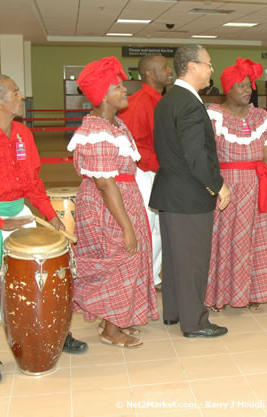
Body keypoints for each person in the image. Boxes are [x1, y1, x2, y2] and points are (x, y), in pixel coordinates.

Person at [0, 74, 87, 385]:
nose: (22, 96)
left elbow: (34, 183)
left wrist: (50, 216)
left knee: (44, 278)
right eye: (15, 92)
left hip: (21, 215)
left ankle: (54, 333)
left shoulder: (23, 134)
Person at [68, 57, 159, 348]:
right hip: (109, 207)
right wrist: (127, 226)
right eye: (117, 86)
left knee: (124, 262)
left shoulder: (115, 124)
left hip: (124, 199)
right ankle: (110, 329)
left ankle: (113, 320)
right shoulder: (97, 131)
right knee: (117, 259)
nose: (124, 90)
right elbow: (105, 183)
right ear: (102, 94)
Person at [150, 44, 230, 338]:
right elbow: (196, 156)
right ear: (193, 66)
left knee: (174, 259)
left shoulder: (169, 100)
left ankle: (173, 311)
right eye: (208, 64)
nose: (212, 70)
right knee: (193, 261)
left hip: (171, 192)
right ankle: (195, 321)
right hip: (189, 196)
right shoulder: (189, 104)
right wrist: (219, 186)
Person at [205, 58, 267, 312]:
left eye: (250, 85)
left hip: (256, 188)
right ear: (227, 88)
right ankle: (220, 295)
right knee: (224, 242)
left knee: (254, 241)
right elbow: (205, 156)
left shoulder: (261, 116)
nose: (248, 90)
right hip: (225, 190)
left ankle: (251, 293)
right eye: (241, 86)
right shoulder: (214, 115)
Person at [118, 54, 173, 290]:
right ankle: (138, 280)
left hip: (159, 172)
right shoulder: (138, 103)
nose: (170, 70)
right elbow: (129, 143)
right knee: (146, 227)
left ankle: (152, 277)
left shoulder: (161, 100)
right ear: (149, 73)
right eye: (164, 67)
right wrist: (157, 163)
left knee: (160, 227)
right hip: (144, 173)